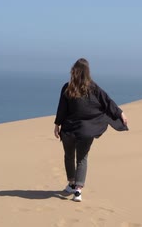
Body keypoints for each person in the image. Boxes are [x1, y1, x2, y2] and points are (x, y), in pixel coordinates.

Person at [53, 58, 128, 202]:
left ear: (73, 71)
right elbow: (107, 101)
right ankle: (77, 191)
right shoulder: (92, 87)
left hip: (69, 130)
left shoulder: (67, 87)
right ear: (87, 72)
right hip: (86, 130)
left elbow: (61, 110)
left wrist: (57, 125)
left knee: (69, 156)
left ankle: (71, 184)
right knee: (82, 158)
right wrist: (120, 113)